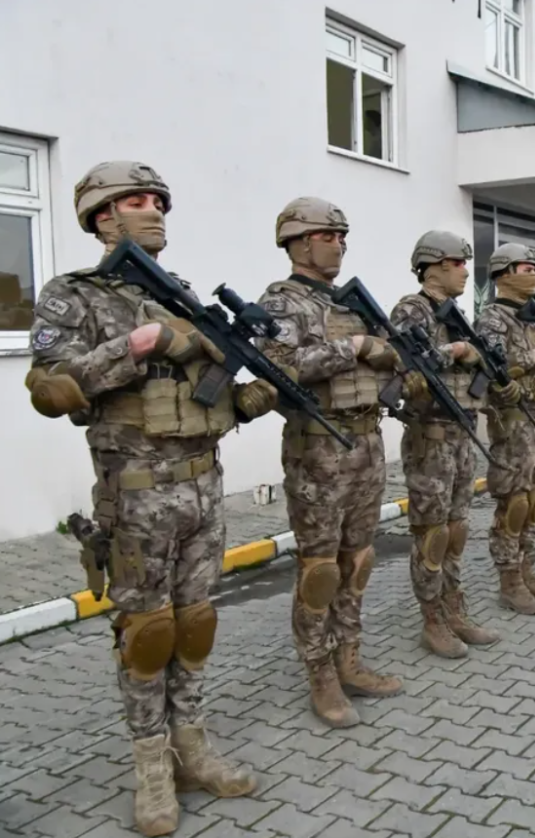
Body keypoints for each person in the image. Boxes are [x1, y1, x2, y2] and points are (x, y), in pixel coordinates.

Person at [27, 161, 275, 836]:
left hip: (202, 487)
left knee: (195, 623)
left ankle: (192, 745)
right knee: (147, 634)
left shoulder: (180, 295)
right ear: (103, 216)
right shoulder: (71, 296)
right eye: (137, 200)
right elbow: (51, 389)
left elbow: (198, 394)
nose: (154, 208)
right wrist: (135, 345)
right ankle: (150, 768)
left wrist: (242, 402)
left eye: (160, 199)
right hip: (134, 498)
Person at [256, 197, 407, 729]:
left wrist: (385, 353)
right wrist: (357, 348)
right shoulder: (281, 302)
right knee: (319, 569)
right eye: (329, 235)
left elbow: (388, 357)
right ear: (298, 242)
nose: (339, 243)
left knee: (359, 559)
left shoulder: (350, 303)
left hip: (367, 438)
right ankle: (319, 672)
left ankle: (349, 657)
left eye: (343, 235)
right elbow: (281, 368)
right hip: (318, 446)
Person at [389, 231, 500, 658]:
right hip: (430, 437)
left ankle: (455, 608)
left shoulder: (454, 313)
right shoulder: (411, 310)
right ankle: (432, 619)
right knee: (432, 533)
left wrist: (471, 351)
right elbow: (405, 364)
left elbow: (485, 360)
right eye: (458, 263)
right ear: (433, 265)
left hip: (460, 434)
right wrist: (455, 351)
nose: (465, 271)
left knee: (455, 531)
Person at [476, 243, 535, 613]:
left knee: (532, 500)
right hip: (514, 422)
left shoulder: (534, 318)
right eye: (525, 267)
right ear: (502, 274)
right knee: (513, 502)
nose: (532, 273)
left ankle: (527, 569)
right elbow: (494, 364)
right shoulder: (493, 318)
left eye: (534, 267)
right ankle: (509, 580)